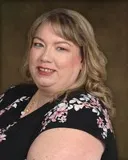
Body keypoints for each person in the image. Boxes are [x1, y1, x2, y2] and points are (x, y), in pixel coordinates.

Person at [0, 8, 118, 160]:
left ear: (83, 59)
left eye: (61, 48)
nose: (45, 57)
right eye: (38, 44)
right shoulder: (16, 94)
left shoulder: (81, 114)